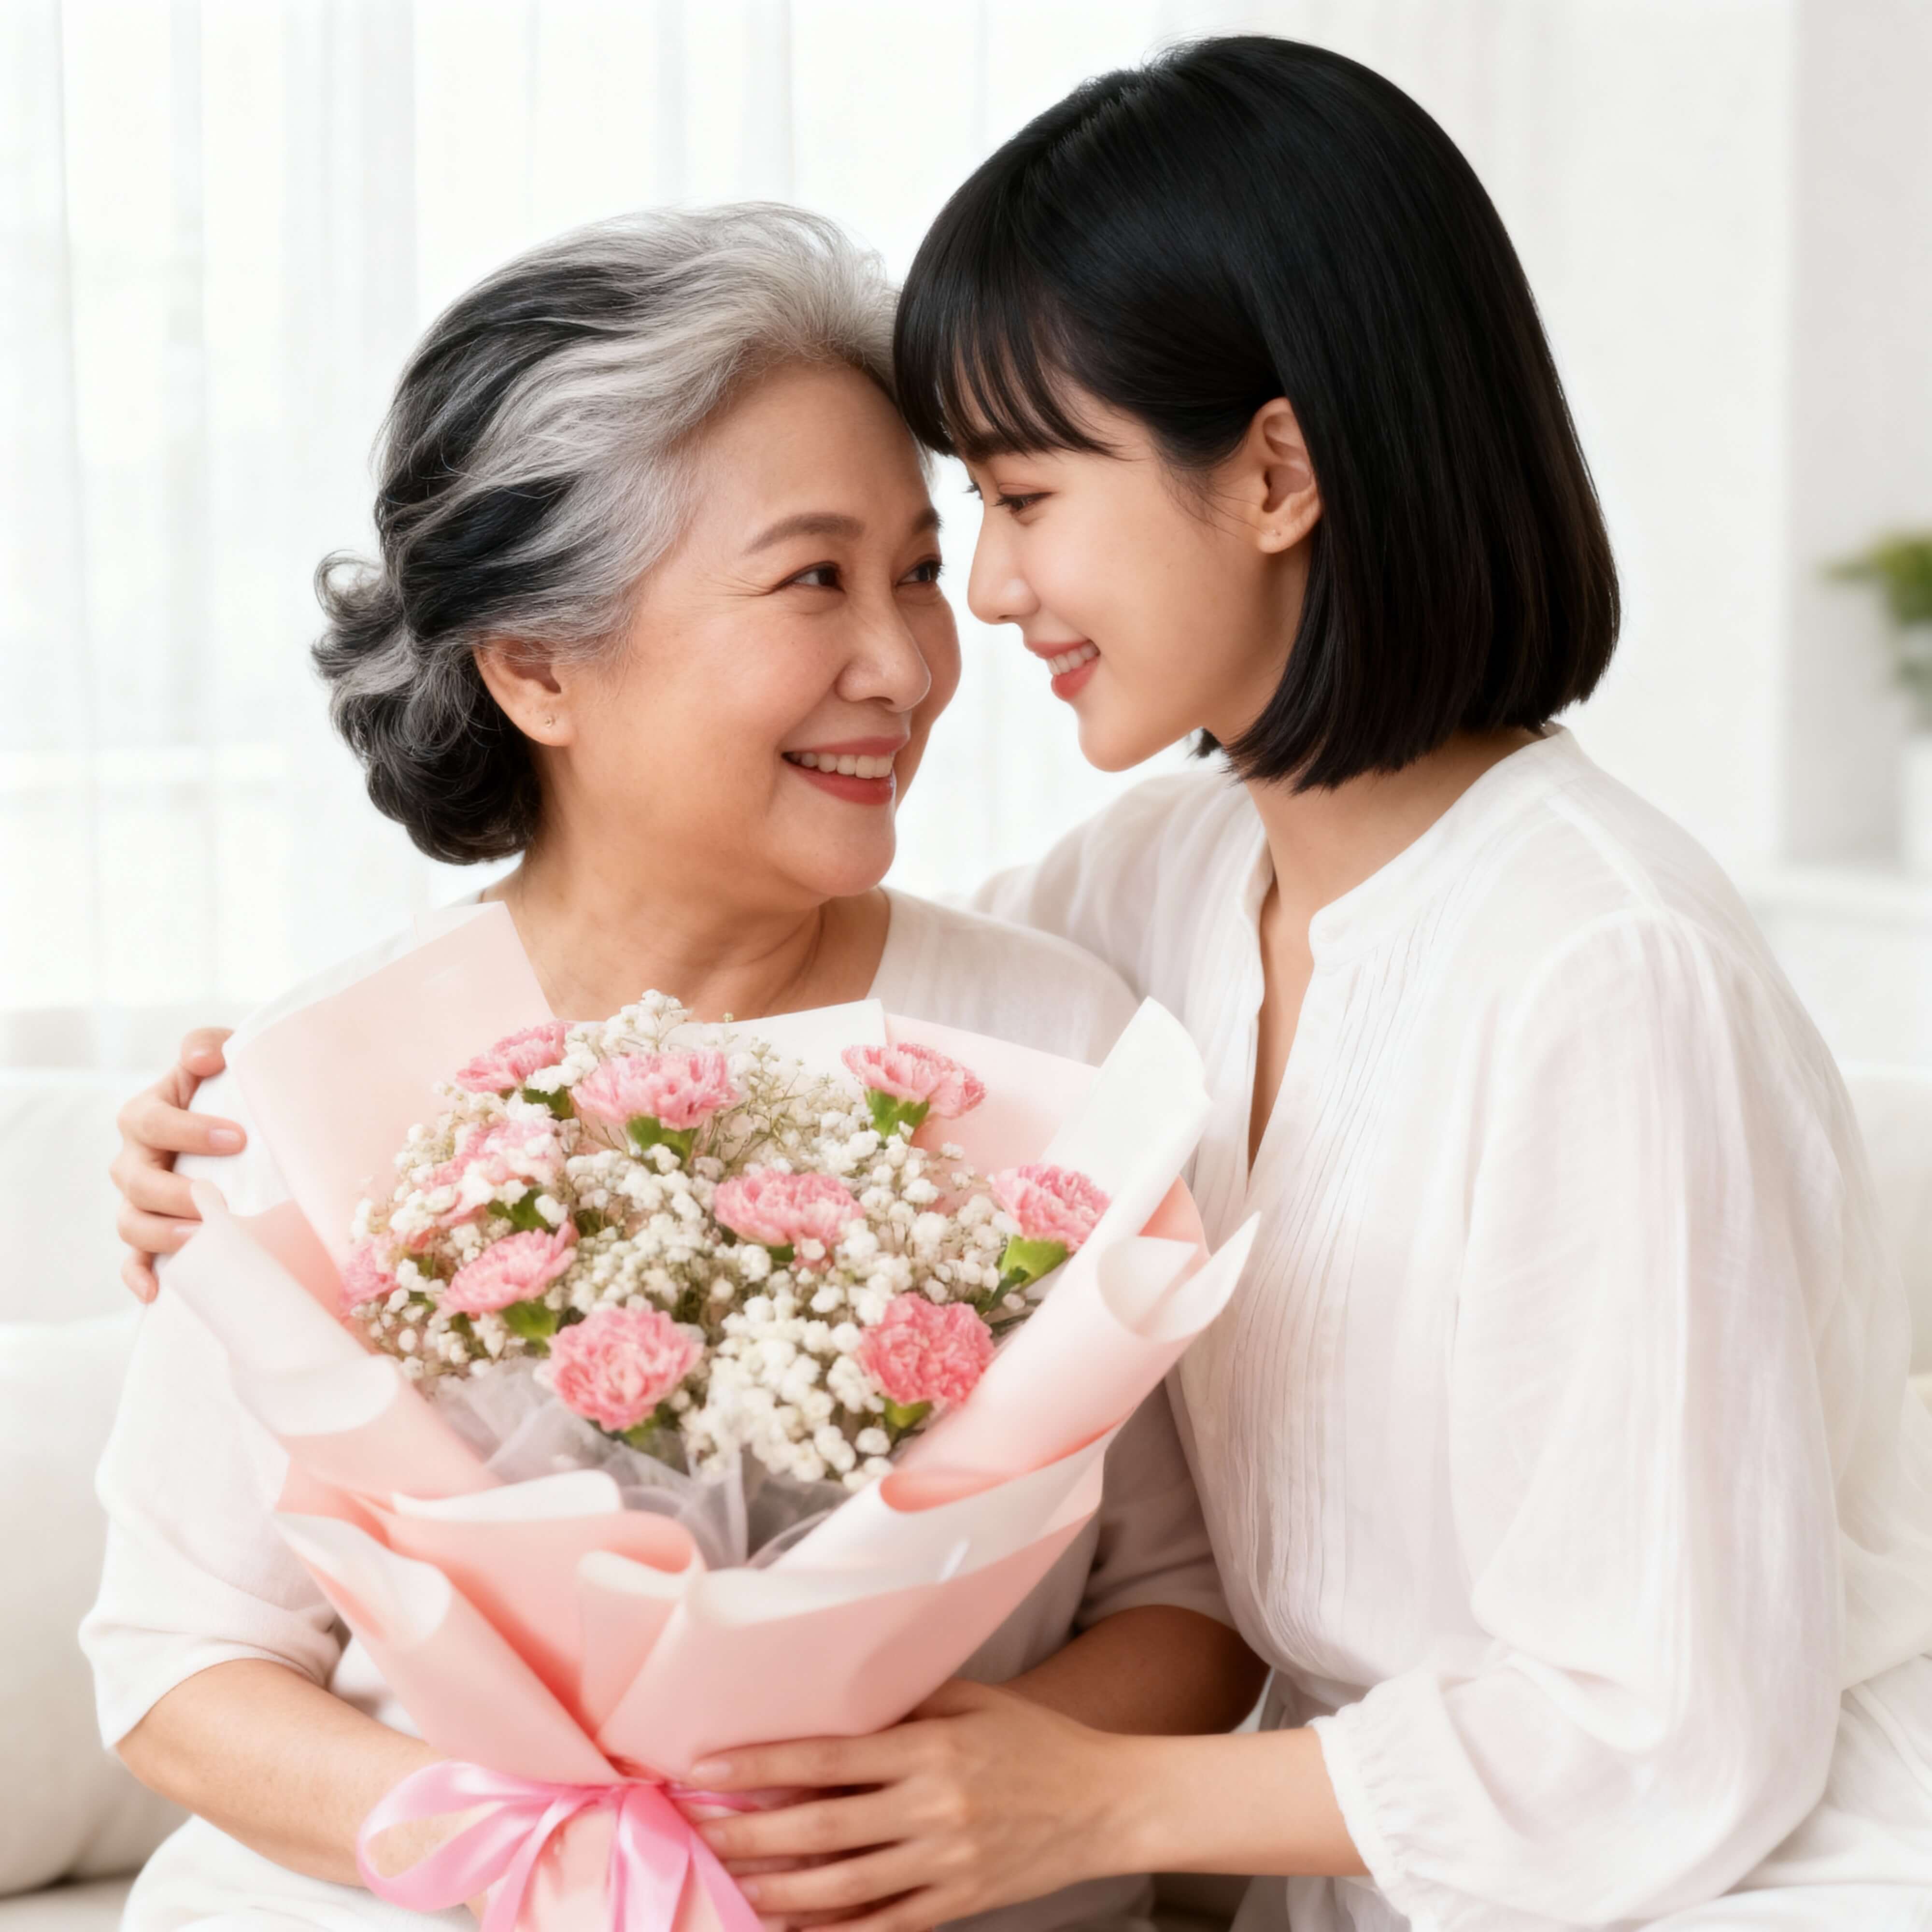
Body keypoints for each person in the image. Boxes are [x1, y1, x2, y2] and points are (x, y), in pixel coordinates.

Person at [112, 37, 1932, 1932]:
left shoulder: (1594, 968)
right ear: (535, 664)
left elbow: (1650, 1729)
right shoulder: (1167, 883)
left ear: (1277, 475)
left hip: (1715, 1883)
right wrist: (233, 1147)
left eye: (1011, 502)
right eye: (837, 570)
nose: (955, 620)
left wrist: (1067, 1799)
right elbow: (766, 980)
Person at [81, 203, 1261, 1932]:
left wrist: (937, 1801)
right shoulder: (312, 1087)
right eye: (812, 580)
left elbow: (1189, 1607)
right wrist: (559, 1859)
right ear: (539, 665)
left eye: (919, 571)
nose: (909, 666)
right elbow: (182, 1664)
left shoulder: (1054, 1042)